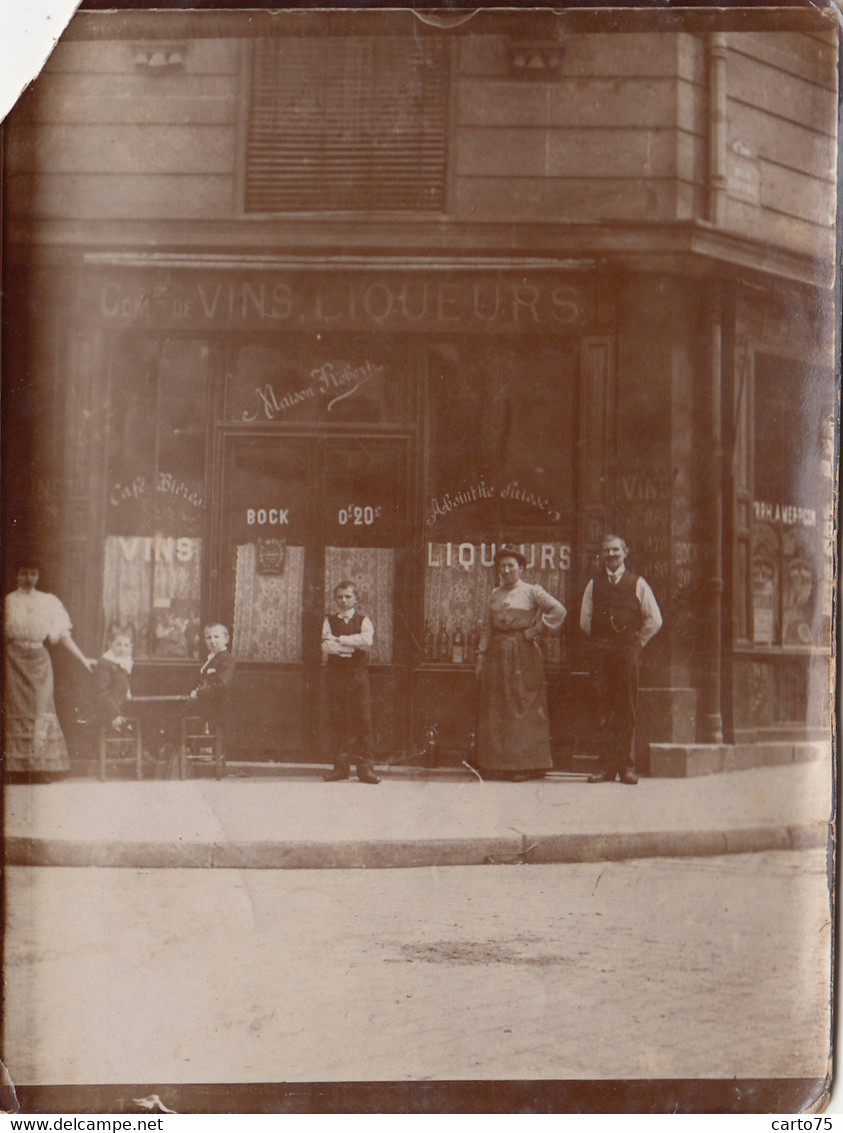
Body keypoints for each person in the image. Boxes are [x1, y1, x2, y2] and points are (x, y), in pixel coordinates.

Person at [473, 544, 566, 781]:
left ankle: (523, 765)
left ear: (521, 568)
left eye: (511, 566)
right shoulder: (494, 594)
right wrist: (481, 657)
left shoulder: (532, 591)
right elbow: (487, 628)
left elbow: (559, 611)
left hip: (523, 654)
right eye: (502, 566)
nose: (506, 570)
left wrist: (534, 631)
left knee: (522, 706)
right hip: (496, 654)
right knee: (497, 705)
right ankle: (496, 764)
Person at [579, 534, 663, 785]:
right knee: (603, 708)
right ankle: (605, 767)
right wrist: (602, 641)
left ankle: (626, 767)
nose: (612, 555)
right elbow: (585, 621)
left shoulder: (638, 583)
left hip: (627, 654)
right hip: (602, 654)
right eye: (607, 551)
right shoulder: (593, 584)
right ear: (602, 554)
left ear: (625, 552)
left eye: (616, 550)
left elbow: (654, 619)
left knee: (626, 708)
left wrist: (637, 643)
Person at [3, 562, 95, 779]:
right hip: (13, 660)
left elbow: (63, 636)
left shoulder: (49, 601)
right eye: (24, 573)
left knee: (40, 709)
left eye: (33, 573)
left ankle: (40, 768)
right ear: (17, 575)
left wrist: (84, 660)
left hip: (39, 662)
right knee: (16, 710)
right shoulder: (8, 601)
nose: (29, 578)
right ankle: (14, 769)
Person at [321, 580, 380, 784]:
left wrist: (341, 640)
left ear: (356, 599)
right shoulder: (329, 620)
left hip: (357, 676)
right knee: (339, 721)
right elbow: (327, 647)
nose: (344, 600)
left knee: (363, 721)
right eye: (339, 597)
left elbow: (367, 642)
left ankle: (365, 770)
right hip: (336, 676)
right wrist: (350, 644)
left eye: (348, 596)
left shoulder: (364, 620)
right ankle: (340, 768)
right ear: (335, 599)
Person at [189, 623, 236, 719]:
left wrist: (199, 693)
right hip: (206, 704)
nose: (212, 641)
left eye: (216, 637)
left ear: (226, 639)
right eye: (208, 638)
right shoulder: (211, 658)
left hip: (216, 708)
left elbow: (221, 685)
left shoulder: (226, 660)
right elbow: (205, 681)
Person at [93, 627, 134, 731]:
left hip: (122, 705)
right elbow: (101, 692)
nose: (122, 649)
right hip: (108, 709)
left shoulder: (126, 662)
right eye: (118, 644)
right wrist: (114, 714)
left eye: (126, 645)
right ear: (109, 644)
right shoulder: (105, 663)